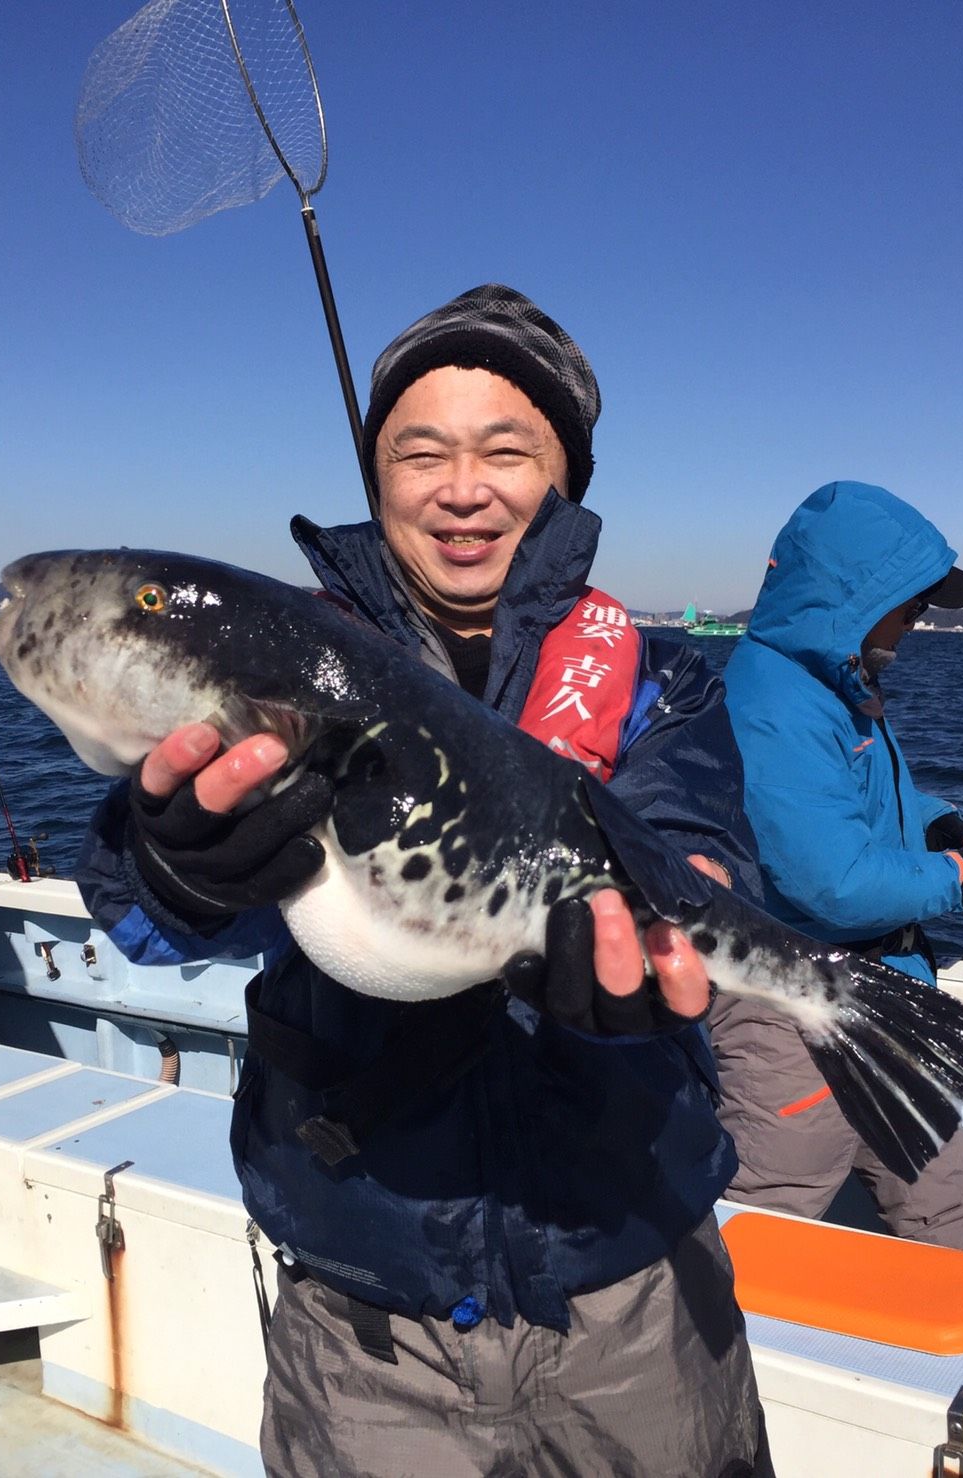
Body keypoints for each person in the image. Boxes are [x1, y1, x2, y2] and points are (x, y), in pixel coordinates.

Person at [77, 284, 775, 1476]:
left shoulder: (662, 681)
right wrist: (173, 861)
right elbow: (139, 910)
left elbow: (700, 845)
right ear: (378, 475)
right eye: (419, 452)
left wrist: (666, 945)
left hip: (635, 1282)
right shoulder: (284, 671)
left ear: (564, 478)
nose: (462, 488)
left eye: (507, 451)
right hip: (364, 1310)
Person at [712, 480, 963, 1255]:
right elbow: (832, 882)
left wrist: (940, 820)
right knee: (762, 1230)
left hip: (886, 1002)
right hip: (797, 1012)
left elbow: (867, 796)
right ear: (855, 597)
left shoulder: (835, 684)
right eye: (910, 606)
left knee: (953, 1210)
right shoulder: (771, 701)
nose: (916, 622)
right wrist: (957, 877)